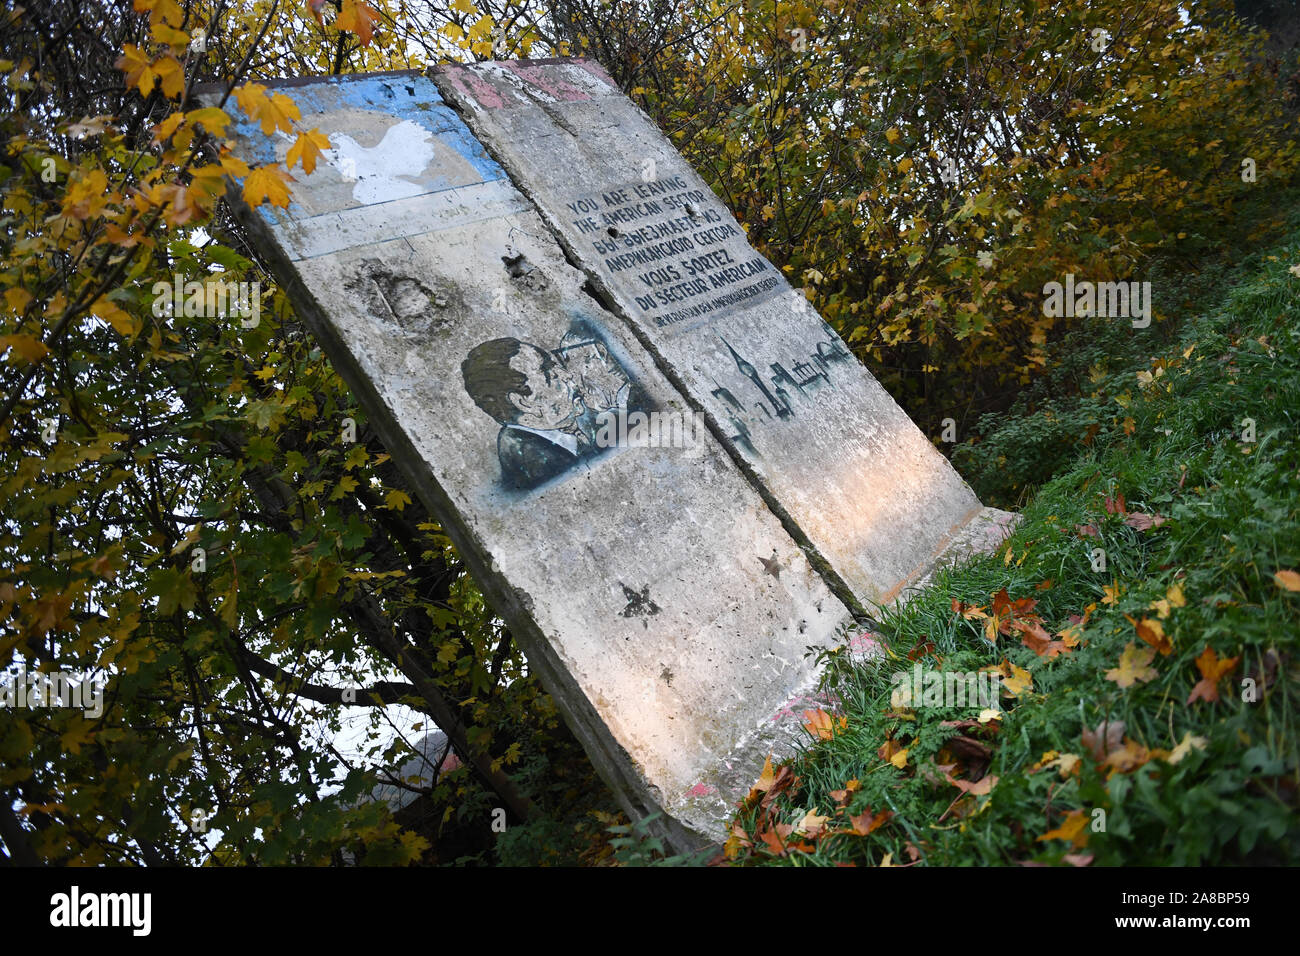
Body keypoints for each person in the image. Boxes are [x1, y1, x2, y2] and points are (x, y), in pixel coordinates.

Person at [461, 337, 592, 490]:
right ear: (524, 403)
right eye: (549, 372)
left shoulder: (577, 431)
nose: (567, 375)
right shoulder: (538, 467)